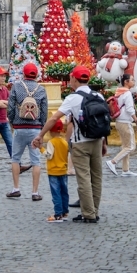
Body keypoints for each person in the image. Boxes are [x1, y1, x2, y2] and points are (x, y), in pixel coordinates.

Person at [35, 65, 106, 223]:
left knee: (84, 179)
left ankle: (88, 214)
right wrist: (104, 142)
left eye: (70, 78)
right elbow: (104, 121)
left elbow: (54, 118)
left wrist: (41, 134)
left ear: (74, 78)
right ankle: (95, 210)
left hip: (80, 143)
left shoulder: (73, 98)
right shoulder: (98, 96)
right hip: (97, 141)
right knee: (97, 177)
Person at [6, 62, 47, 199]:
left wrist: (12, 122)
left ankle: (16, 188)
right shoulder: (41, 89)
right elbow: (44, 111)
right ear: (36, 75)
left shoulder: (16, 87)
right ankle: (35, 192)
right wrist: (41, 128)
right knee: (36, 161)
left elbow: (10, 108)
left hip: (19, 128)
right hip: (35, 129)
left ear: (23, 74)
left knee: (15, 158)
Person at [107, 76, 137, 177]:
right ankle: (113, 162)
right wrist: (136, 120)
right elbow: (129, 109)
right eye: (132, 80)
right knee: (131, 146)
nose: (134, 81)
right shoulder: (127, 93)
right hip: (125, 121)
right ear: (126, 82)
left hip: (119, 121)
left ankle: (125, 170)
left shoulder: (118, 92)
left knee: (125, 146)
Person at [44, 119, 70, 223]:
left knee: (56, 193)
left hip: (53, 171)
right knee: (64, 192)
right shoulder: (64, 142)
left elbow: (49, 156)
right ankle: (65, 212)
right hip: (63, 170)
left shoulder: (51, 142)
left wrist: (41, 149)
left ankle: (58, 214)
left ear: (51, 131)